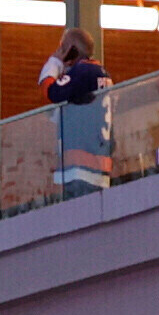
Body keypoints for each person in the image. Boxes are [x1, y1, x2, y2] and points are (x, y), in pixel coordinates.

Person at [41, 28, 113, 194]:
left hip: (81, 164)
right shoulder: (100, 72)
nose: (60, 52)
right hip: (99, 162)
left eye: (62, 48)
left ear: (71, 50)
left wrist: (54, 63)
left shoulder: (83, 72)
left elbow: (51, 92)